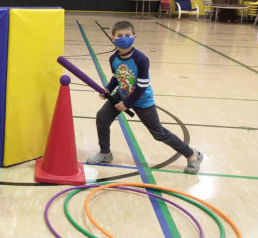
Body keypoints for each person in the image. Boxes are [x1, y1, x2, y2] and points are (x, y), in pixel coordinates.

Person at [87, 21, 203, 174]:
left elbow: (141, 86)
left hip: (142, 100)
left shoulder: (141, 59)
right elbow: (117, 77)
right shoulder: (113, 58)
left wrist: (127, 103)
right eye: (120, 36)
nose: (124, 38)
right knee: (102, 117)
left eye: (127, 35)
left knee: (158, 133)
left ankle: (192, 154)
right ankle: (105, 153)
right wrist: (108, 89)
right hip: (122, 94)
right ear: (112, 39)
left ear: (134, 37)